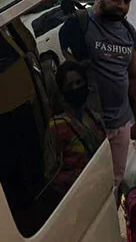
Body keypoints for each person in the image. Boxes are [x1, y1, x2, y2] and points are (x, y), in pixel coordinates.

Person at [58, 0, 136, 192]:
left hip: (120, 124)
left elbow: (134, 78)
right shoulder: (79, 25)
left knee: (115, 184)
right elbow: (64, 70)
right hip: (88, 125)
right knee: (89, 188)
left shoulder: (128, 32)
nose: (122, 6)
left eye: (126, 1)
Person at [44, 60, 106, 197]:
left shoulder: (92, 115)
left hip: (103, 185)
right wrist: (81, 177)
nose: (76, 88)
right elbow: (50, 175)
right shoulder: (56, 127)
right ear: (62, 91)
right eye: (70, 85)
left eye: (79, 82)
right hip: (79, 195)